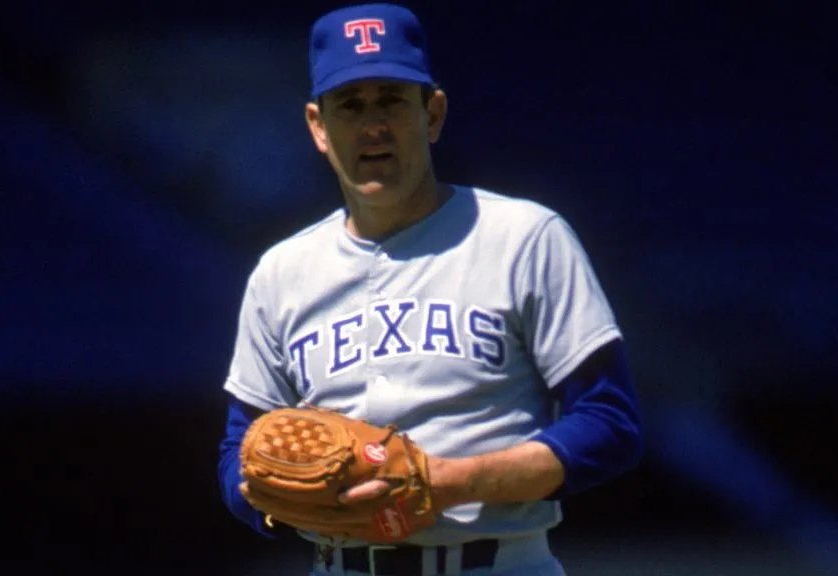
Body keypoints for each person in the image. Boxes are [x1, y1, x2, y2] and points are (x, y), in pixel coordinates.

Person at [217, 3, 644, 575]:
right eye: (351, 105)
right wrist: (275, 504)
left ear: (433, 113)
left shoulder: (524, 237)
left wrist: (448, 482)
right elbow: (238, 450)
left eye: (392, 99)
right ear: (319, 127)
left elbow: (610, 422)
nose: (373, 125)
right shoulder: (281, 272)